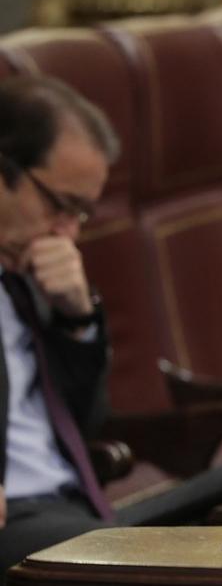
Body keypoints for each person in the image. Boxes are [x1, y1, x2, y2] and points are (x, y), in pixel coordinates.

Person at [0, 76, 118, 573]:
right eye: (59, 206)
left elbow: (85, 424)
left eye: (81, 214)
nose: (67, 233)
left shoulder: (29, 278)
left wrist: (77, 317)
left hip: (70, 505)